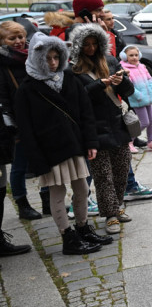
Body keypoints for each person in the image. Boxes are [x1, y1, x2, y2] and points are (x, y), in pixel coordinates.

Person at [16, 34, 109, 256]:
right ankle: (68, 237)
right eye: (47, 58)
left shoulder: (68, 78)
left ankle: (83, 228)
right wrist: (37, 160)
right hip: (50, 150)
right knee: (57, 191)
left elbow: (85, 112)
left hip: (74, 144)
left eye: (56, 57)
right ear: (37, 58)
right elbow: (25, 129)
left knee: (82, 188)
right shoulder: (27, 88)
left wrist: (91, 142)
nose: (53, 63)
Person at [70, 25, 134, 235]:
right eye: (86, 44)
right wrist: (99, 84)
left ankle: (117, 205)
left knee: (122, 170)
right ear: (79, 47)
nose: (91, 48)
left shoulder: (110, 61)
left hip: (117, 124)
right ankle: (110, 215)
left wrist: (121, 81)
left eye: (94, 44)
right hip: (94, 128)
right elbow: (77, 97)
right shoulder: (74, 69)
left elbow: (129, 91)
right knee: (103, 175)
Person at [0, 21, 49, 221]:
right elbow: (3, 98)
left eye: (21, 36)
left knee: (47, 160)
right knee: (20, 165)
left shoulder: (32, 57)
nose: (18, 41)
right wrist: (12, 126)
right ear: (2, 41)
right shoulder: (3, 64)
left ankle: (47, 199)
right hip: (19, 123)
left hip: (40, 117)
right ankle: (22, 204)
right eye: (12, 38)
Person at [120, 47, 152, 152]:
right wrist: (138, 95)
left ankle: (151, 141)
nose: (134, 57)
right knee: (144, 122)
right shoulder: (125, 69)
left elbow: (149, 79)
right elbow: (129, 86)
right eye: (131, 55)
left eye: (136, 55)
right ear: (125, 57)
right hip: (138, 100)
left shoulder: (142, 66)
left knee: (151, 121)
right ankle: (130, 142)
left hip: (147, 98)